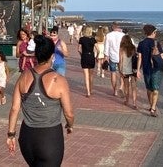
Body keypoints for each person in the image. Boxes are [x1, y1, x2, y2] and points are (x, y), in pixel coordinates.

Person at [6, 35, 74, 167]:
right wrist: (69, 125)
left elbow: (14, 108)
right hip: (49, 139)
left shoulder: (24, 76)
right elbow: (69, 113)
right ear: (52, 56)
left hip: (27, 138)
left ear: (36, 56)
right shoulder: (58, 80)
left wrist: (11, 134)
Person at [136, 25, 163, 116]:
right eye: (155, 32)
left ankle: (151, 105)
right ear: (153, 32)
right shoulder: (156, 43)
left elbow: (139, 57)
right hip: (156, 69)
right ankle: (153, 108)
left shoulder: (141, 43)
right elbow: (162, 57)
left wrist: (138, 70)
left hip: (146, 69)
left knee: (149, 89)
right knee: (155, 89)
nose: (156, 34)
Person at [103, 23, 125, 96]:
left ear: (112, 27)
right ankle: (121, 86)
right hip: (121, 56)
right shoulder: (123, 35)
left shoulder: (108, 35)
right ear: (118, 27)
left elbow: (106, 47)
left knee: (113, 73)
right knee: (122, 72)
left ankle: (115, 91)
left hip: (112, 56)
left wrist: (106, 56)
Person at [118, 33, 138, 110]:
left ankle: (127, 100)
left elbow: (121, 60)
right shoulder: (133, 48)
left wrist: (120, 70)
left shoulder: (122, 49)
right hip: (133, 69)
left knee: (126, 86)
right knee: (134, 86)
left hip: (125, 69)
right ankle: (134, 103)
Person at [77, 25, 97, 97]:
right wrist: (96, 56)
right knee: (91, 75)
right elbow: (98, 49)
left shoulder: (81, 39)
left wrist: (81, 55)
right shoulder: (93, 39)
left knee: (86, 76)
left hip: (84, 56)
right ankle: (91, 90)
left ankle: (88, 92)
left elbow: (79, 49)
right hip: (91, 56)